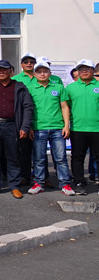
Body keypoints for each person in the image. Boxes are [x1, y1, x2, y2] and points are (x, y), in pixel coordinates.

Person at [0, 60, 34, 199]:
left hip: (12, 126)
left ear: (11, 71)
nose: (1, 72)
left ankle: (14, 186)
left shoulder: (20, 87)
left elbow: (27, 108)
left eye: (4, 69)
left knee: (13, 157)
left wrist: (25, 127)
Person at [27, 62, 71, 195]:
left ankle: (65, 184)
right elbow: (28, 109)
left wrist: (66, 125)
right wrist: (29, 127)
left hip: (57, 128)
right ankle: (39, 183)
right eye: (39, 72)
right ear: (34, 74)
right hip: (38, 128)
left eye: (45, 71)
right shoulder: (30, 88)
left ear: (50, 73)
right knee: (39, 158)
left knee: (60, 158)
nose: (42, 74)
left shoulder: (58, 87)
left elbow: (64, 107)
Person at [63, 59, 99, 195]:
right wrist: (66, 125)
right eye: (81, 69)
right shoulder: (70, 88)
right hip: (77, 128)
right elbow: (65, 108)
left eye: (87, 68)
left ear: (93, 71)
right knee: (77, 157)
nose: (84, 71)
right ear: (77, 71)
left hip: (97, 128)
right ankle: (79, 183)